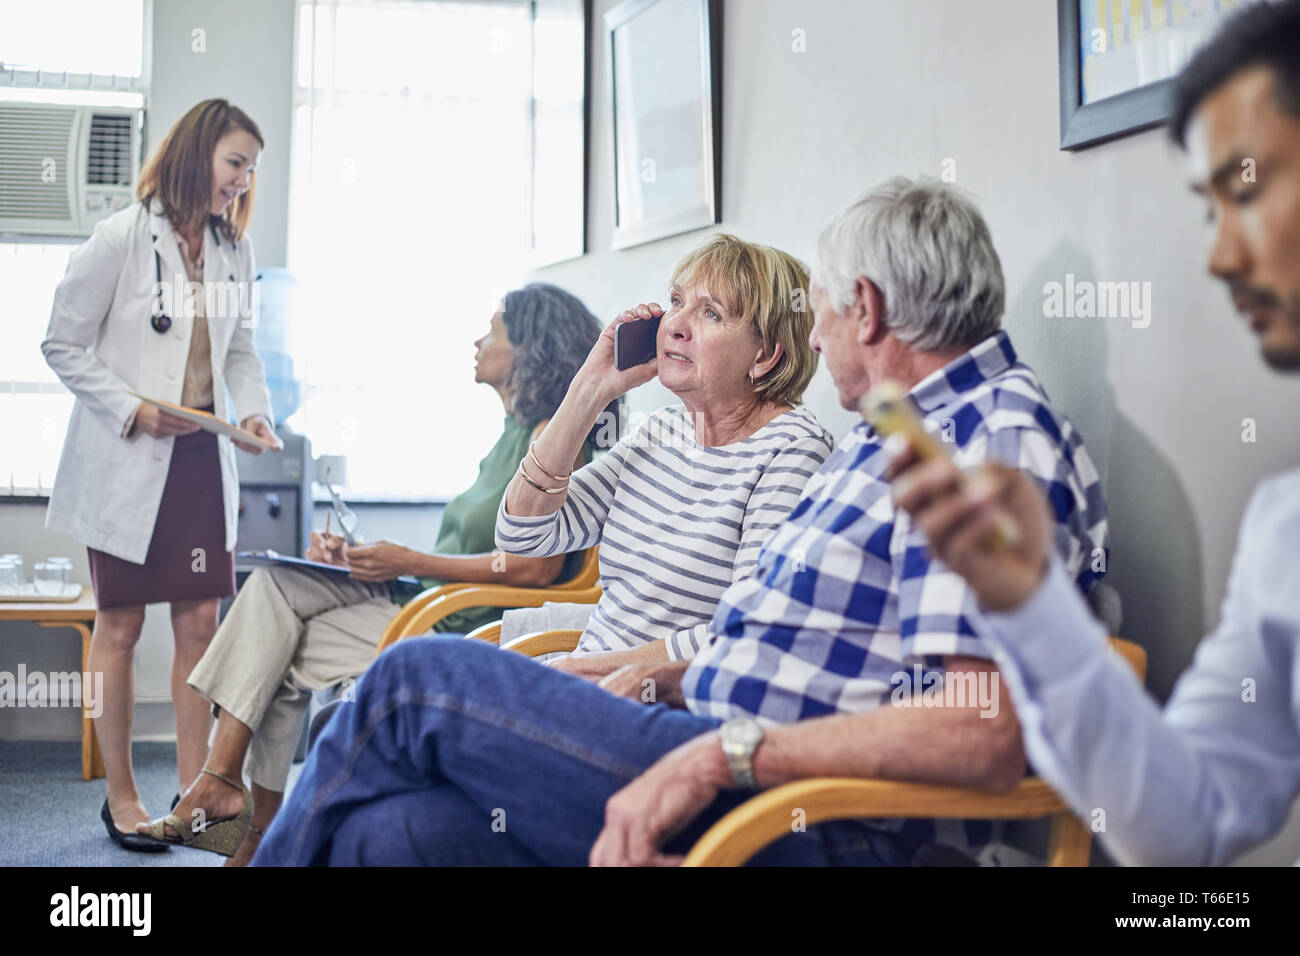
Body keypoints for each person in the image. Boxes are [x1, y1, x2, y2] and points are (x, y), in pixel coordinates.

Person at [252, 178, 1109, 867]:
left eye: (821, 308)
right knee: (391, 835)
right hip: (706, 739)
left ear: (870, 310)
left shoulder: (984, 444)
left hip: (800, 813)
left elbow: (976, 729)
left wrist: (718, 753)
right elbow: (548, 547)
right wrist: (652, 680)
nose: (815, 328)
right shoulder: (901, 437)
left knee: (412, 680)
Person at [888, 0, 1300, 867]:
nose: (1218, 256)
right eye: (1206, 209)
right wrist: (1034, 609)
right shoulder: (1283, 529)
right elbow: (1185, 832)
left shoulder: (1008, 428)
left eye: (1248, 190)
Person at [136, 283, 606, 864]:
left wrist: (409, 562)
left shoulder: (550, 441)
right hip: (429, 601)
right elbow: (469, 553)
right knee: (275, 598)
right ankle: (234, 804)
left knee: (275, 644)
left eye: (494, 330)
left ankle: (237, 813)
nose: (479, 340)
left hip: (461, 632)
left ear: (529, 347)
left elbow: (537, 569)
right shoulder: (508, 438)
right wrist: (364, 557)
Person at [41, 99, 283, 853]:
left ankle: (194, 793)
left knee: (200, 625)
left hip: (199, 457)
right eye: (235, 163)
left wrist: (255, 415)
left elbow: (241, 349)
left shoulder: (233, 251)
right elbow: (61, 344)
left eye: (250, 170)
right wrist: (132, 409)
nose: (243, 182)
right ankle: (121, 798)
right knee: (118, 624)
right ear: (195, 154)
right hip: (128, 454)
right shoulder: (119, 238)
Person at [495, 232, 833, 682]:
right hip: (584, 682)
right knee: (419, 677)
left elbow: (751, 628)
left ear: (765, 355)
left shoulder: (793, 450)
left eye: (711, 312)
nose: (675, 324)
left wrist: (582, 669)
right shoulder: (662, 430)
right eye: (676, 302)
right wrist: (588, 392)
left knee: (410, 679)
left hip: (655, 704)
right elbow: (522, 534)